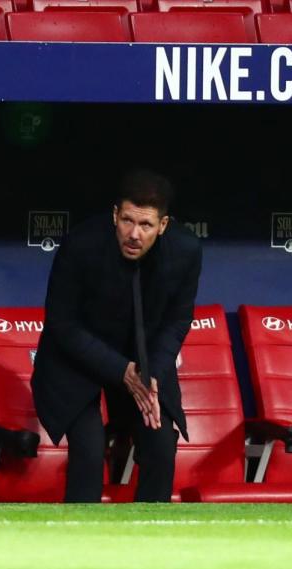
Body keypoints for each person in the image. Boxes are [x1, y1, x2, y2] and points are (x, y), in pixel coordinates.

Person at [30, 170, 203, 503]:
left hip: (142, 360)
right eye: (126, 220)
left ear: (163, 225)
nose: (134, 234)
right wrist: (121, 369)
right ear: (114, 215)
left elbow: (178, 320)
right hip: (77, 361)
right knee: (90, 450)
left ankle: (149, 542)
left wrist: (151, 372)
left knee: (161, 443)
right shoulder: (81, 245)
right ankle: (82, 544)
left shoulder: (185, 251)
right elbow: (62, 325)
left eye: (146, 225)